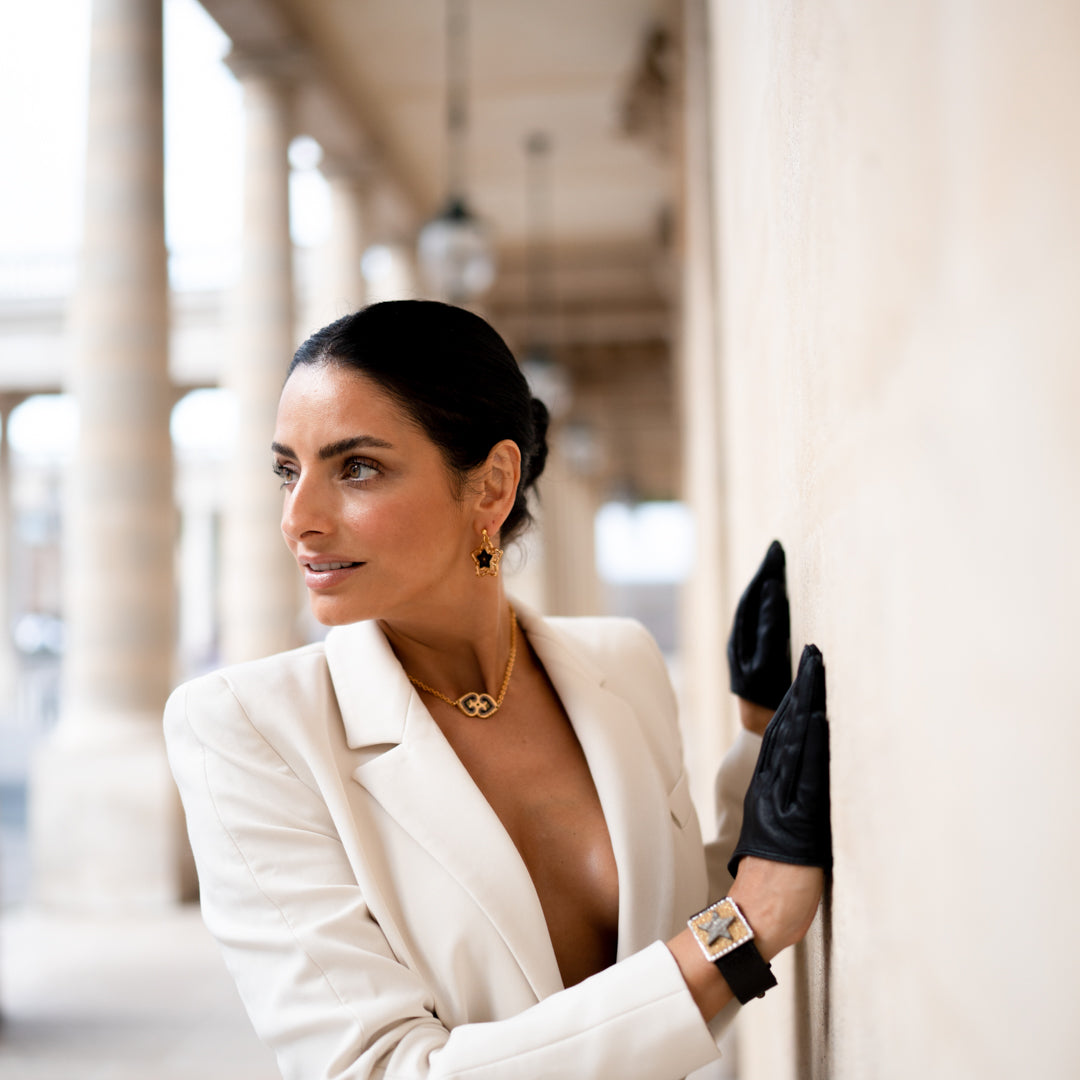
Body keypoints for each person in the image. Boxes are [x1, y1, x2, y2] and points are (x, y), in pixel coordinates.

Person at [165, 300, 829, 1080]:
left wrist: (758, 741)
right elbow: (381, 1070)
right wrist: (745, 930)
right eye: (288, 471)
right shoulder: (246, 728)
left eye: (356, 468)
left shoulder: (621, 664)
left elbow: (667, 962)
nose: (297, 518)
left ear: (491, 486)